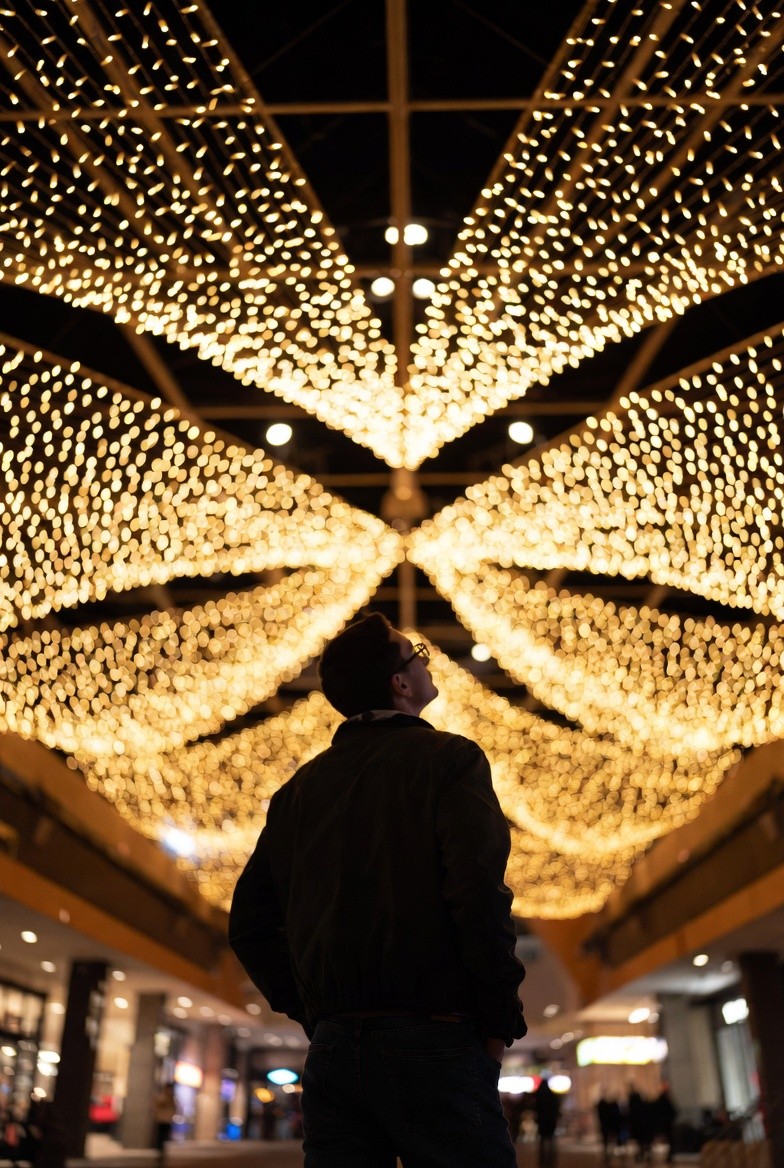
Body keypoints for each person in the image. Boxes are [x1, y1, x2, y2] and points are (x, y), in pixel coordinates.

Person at [229, 612, 527, 1167]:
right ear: (401, 683)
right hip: (436, 1035)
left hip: (336, 1047)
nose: (424, 660)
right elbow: (478, 895)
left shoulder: (296, 792)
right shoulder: (451, 761)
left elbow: (249, 924)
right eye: (416, 653)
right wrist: (497, 1016)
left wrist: (314, 1011)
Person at [535, 1078, 561, 1168]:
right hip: (551, 1122)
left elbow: (536, 1109)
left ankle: (543, 1160)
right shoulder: (552, 1095)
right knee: (551, 1141)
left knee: (542, 1141)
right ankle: (551, 1159)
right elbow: (556, 1109)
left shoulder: (539, 1096)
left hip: (542, 1123)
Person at [153, 1083, 176, 1164]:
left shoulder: (171, 1098)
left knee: (166, 1138)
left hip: (167, 1121)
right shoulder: (162, 1096)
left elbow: (174, 1109)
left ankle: (163, 1154)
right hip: (161, 1121)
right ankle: (159, 1154)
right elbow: (158, 1105)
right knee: (161, 1138)